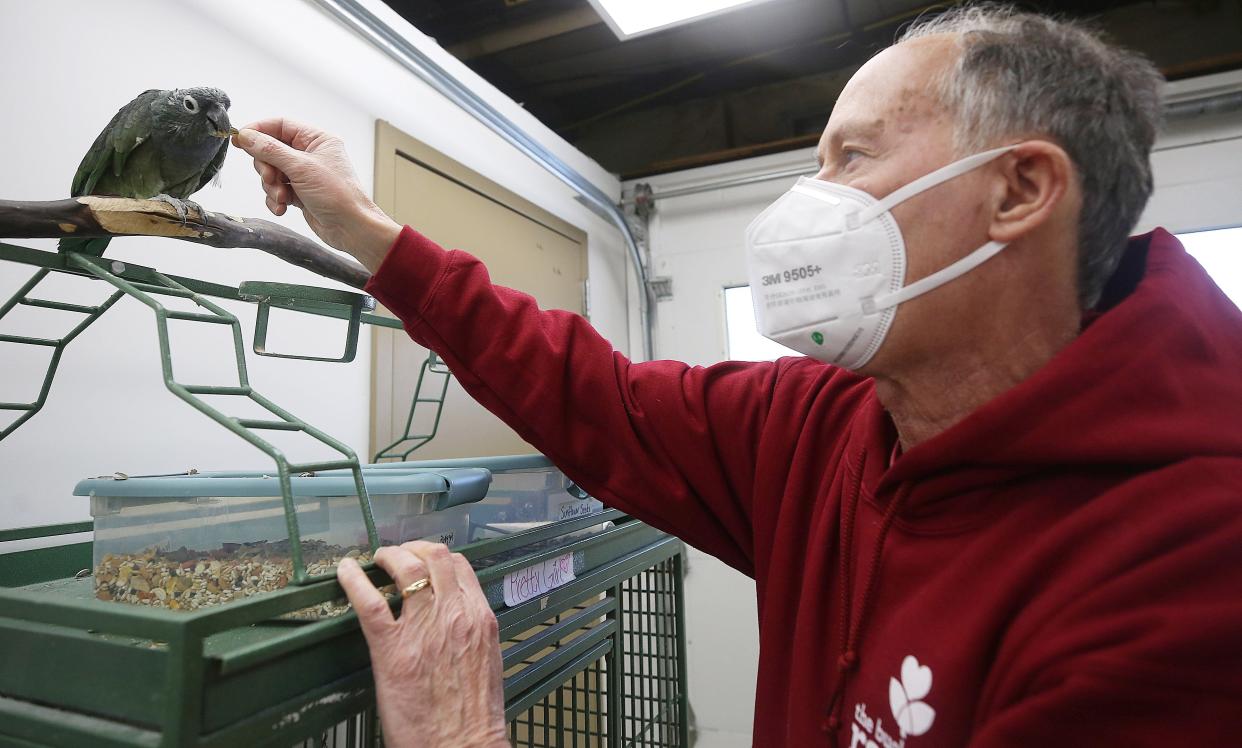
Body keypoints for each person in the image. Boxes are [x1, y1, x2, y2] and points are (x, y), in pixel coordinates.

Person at [235, 4, 1242, 746]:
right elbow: (590, 392)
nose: (810, 201)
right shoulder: (823, 421)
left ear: (1019, 189)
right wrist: (368, 233)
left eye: (852, 156)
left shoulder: (1185, 562)